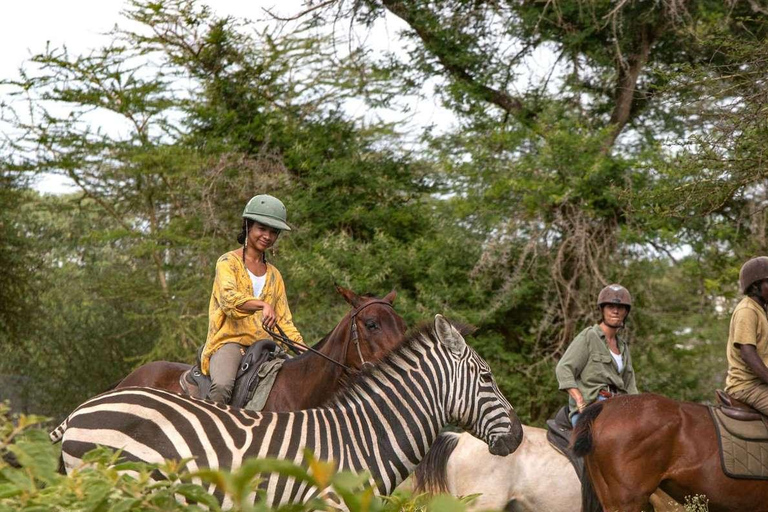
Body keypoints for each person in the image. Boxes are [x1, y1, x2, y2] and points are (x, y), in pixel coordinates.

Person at [201, 194, 306, 404]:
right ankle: (210, 422)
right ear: (248, 225)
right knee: (222, 386)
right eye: (262, 228)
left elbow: (284, 321)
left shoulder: (275, 275)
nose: (267, 236)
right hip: (230, 342)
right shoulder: (227, 262)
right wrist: (262, 305)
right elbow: (229, 300)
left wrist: (307, 352)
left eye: (273, 232)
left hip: (266, 346)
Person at [556, 284, 639, 427]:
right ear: (602, 310)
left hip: (618, 408)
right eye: (610, 307)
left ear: (626, 312)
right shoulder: (589, 336)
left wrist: (639, 409)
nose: (615, 311)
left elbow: (630, 386)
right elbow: (563, 369)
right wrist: (579, 400)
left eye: (620, 308)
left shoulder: (623, 347)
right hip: (591, 408)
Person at [724, 256, 768, 416]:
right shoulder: (747, 311)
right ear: (755, 286)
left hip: (758, 384)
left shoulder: (760, 310)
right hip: (747, 386)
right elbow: (747, 353)